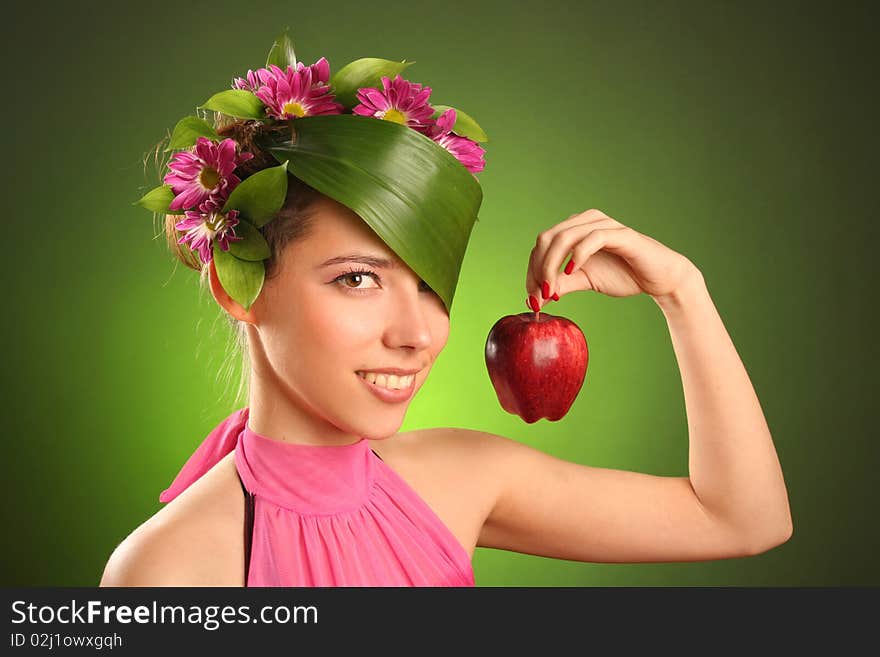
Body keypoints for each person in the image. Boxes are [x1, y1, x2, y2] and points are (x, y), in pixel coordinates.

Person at [100, 36, 792, 587]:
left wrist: (682, 292)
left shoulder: (461, 476)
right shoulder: (169, 571)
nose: (418, 333)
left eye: (431, 284)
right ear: (236, 287)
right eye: (359, 279)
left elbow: (741, 519)